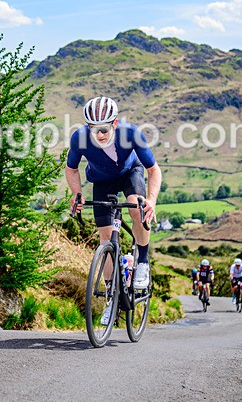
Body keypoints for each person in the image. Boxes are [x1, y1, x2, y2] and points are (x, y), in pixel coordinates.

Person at [66, 96, 162, 325]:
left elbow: (153, 170)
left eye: (105, 129)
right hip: (102, 181)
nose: (100, 135)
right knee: (105, 238)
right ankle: (112, 297)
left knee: (137, 209)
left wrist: (151, 200)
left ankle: (143, 262)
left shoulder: (131, 134)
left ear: (115, 123)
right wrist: (77, 193)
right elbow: (71, 169)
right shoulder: (79, 138)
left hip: (131, 174)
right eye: (94, 129)